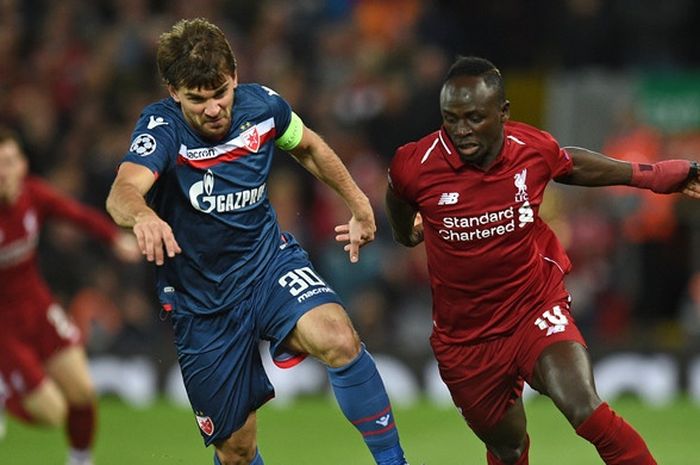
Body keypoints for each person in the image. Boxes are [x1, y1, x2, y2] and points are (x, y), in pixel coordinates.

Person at [105, 18, 409, 465]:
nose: (213, 109)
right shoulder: (162, 127)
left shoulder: (263, 107)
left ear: (234, 77)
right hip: (203, 301)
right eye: (197, 99)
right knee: (238, 452)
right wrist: (144, 215)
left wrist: (357, 201)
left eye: (220, 93)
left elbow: (308, 147)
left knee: (338, 337)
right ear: (174, 92)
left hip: (268, 267)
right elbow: (122, 191)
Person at [384, 56, 700, 465]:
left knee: (585, 408)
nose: (461, 131)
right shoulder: (415, 164)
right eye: (451, 118)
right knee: (509, 448)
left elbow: (570, 164)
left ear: (503, 113)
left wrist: (655, 176)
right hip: (466, 340)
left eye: (475, 118)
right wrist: (404, 232)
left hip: (534, 307)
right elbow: (397, 193)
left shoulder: (529, 148)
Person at [0, 126, 140, 465]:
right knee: (52, 413)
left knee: (83, 393)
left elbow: (75, 214)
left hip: (38, 307)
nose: (4, 171)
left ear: (22, 164)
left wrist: (114, 238)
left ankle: (80, 460)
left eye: (10, 161)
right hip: (4, 326)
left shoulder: (32, 195)